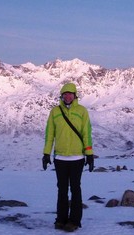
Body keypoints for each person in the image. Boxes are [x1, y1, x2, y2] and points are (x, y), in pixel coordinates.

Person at [42, 82, 95, 232]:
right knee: (62, 190)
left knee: (76, 189)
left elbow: (87, 134)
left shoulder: (82, 111)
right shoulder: (55, 112)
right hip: (60, 159)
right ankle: (61, 219)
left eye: (70, 94)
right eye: (65, 94)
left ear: (75, 95)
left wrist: (89, 155)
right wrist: (46, 153)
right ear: (62, 96)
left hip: (77, 158)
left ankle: (74, 221)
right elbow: (49, 134)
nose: (67, 96)